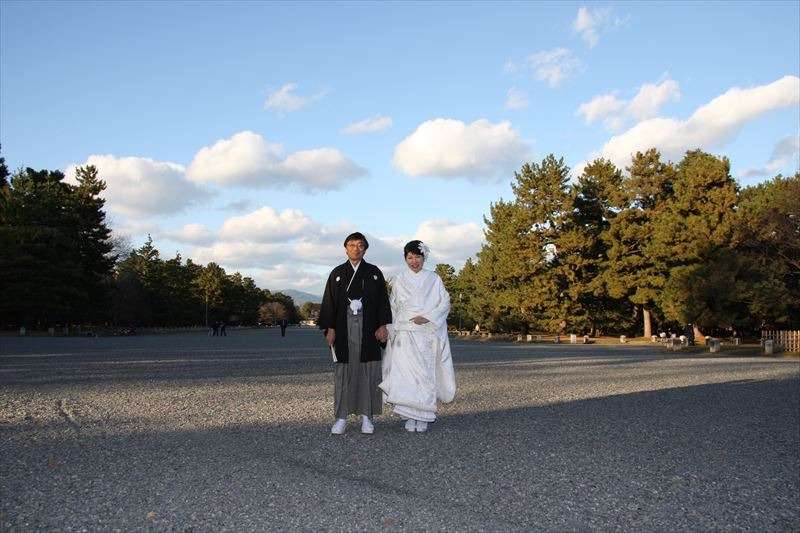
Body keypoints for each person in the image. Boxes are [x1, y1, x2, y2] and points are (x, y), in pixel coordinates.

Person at [318, 232, 391, 435]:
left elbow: (382, 301)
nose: (356, 249)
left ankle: (368, 417)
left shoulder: (374, 272)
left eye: (360, 245)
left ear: (365, 249)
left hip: (369, 328)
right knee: (343, 373)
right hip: (342, 327)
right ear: (345, 248)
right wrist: (330, 328)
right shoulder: (337, 273)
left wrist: (382, 325)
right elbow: (329, 302)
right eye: (351, 245)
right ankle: (341, 417)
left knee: (368, 371)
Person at [379, 240, 456, 433]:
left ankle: (423, 415)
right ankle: (408, 414)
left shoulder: (434, 278)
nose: (414, 261)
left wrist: (428, 317)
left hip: (425, 333)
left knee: (424, 374)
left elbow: (444, 302)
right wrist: (391, 329)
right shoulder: (398, 279)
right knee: (405, 374)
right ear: (405, 258)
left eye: (418, 257)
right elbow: (393, 306)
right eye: (410, 257)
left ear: (424, 258)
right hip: (405, 332)